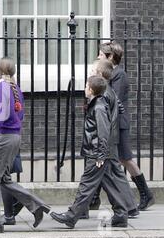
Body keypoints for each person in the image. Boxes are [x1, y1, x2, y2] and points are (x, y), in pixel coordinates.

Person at [0, 57, 50, 234]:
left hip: (3, 138)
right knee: (3, 179)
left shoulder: (1, 87)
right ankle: (37, 206)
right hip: (14, 137)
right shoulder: (15, 88)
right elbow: (19, 115)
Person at [50, 76, 129, 229]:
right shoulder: (95, 104)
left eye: (86, 86)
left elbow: (103, 132)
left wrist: (101, 154)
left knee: (86, 184)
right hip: (98, 152)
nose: (85, 88)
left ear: (91, 90)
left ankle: (71, 216)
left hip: (96, 154)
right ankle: (121, 215)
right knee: (110, 183)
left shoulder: (98, 107)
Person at [95, 42, 154, 211]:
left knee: (124, 158)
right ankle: (94, 197)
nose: (98, 57)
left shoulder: (119, 75)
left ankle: (146, 194)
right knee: (115, 159)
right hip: (113, 123)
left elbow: (114, 98)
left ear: (110, 57)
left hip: (118, 124)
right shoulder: (112, 74)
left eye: (101, 54)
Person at [83, 60, 139, 218]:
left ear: (100, 74)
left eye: (93, 70)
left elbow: (104, 118)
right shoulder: (109, 90)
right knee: (111, 174)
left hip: (105, 140)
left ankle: (127, 208)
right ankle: (129, 207)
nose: (91, 72)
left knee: (103, 174)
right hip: (109, 139)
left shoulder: (104, 93)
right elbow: (120, 107)